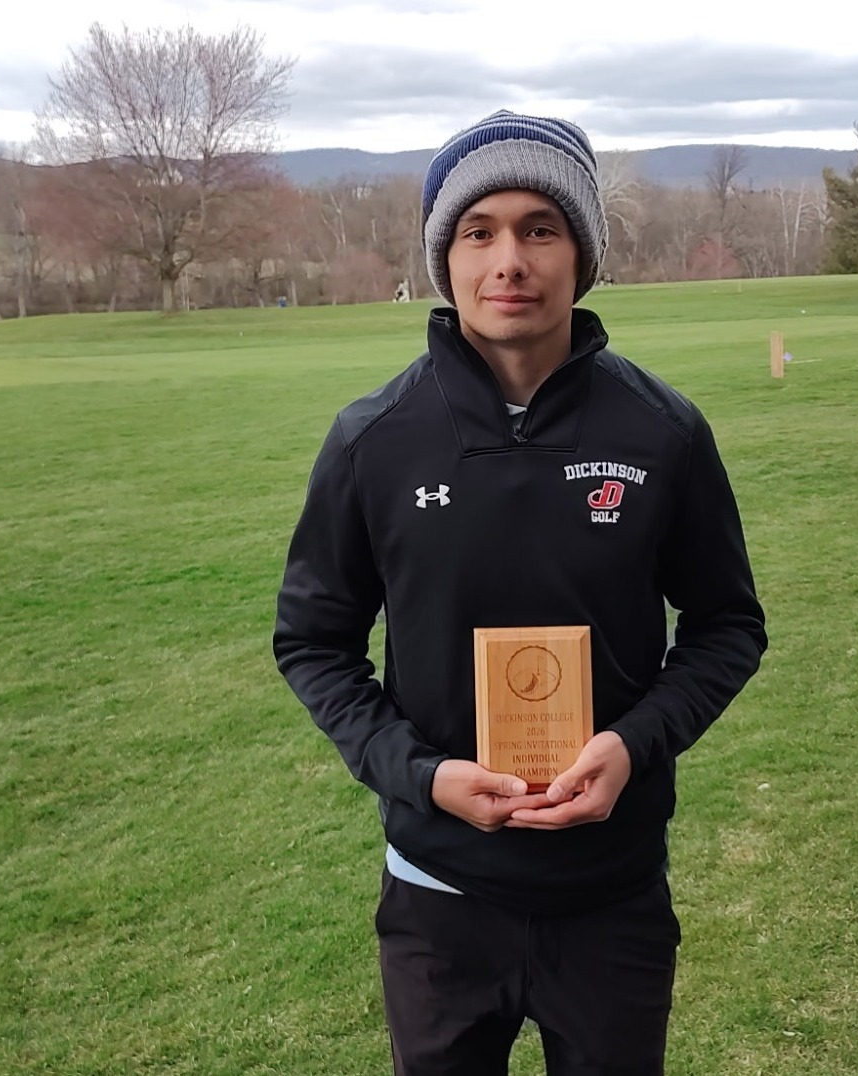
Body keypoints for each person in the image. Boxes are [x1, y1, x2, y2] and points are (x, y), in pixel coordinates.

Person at [273, 110, 767, 1076]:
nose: (509, 261)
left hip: (612, 895)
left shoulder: (662, 431)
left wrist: (634, 745)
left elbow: (726, 625)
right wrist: (419, 775)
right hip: (438, 897)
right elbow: (313, 643)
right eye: (478, 231)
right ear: (444, 258)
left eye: (540, 228)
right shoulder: (374, 439)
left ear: (582, 254)